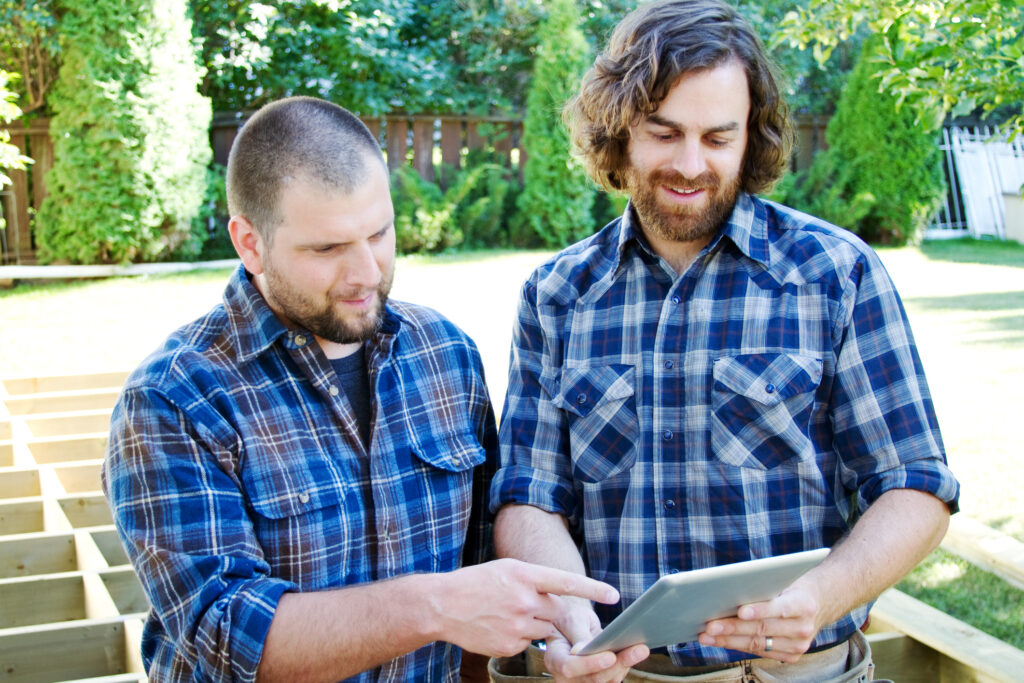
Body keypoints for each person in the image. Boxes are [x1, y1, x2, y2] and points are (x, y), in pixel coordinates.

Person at [490, 1, 960, 681]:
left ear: (752, 136)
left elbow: (917, 486)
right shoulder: (556, 294)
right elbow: (529, 494)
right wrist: (573, 615)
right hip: (622, 672)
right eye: (664, 132)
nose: (689, 165)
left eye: (718, 137)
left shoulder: (836, 273)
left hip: (791, 670)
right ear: (619, 131)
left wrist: (819, 597)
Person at [102, 96, 619, 683]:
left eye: (378, 233)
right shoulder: (174, 399)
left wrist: (548, 642)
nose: (368, 273)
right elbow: (226, 636)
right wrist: (435, 607)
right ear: (249, 243)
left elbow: (482, 580)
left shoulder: (444, 353)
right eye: (327, 249)